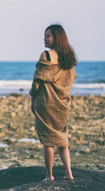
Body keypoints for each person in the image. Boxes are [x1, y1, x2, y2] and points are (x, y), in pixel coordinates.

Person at [29, 24, 77, 181]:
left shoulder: (46, 55)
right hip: (62, 104)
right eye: (45, 35)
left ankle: (49, 175)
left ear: (57, 38)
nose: (45, 38)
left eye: (48, 35)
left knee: (48, 141)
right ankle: (68, 173)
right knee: (62, 139)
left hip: (46, 102)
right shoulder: (68, 58)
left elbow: (37, 81)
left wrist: (33, 98)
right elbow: (71, 79)